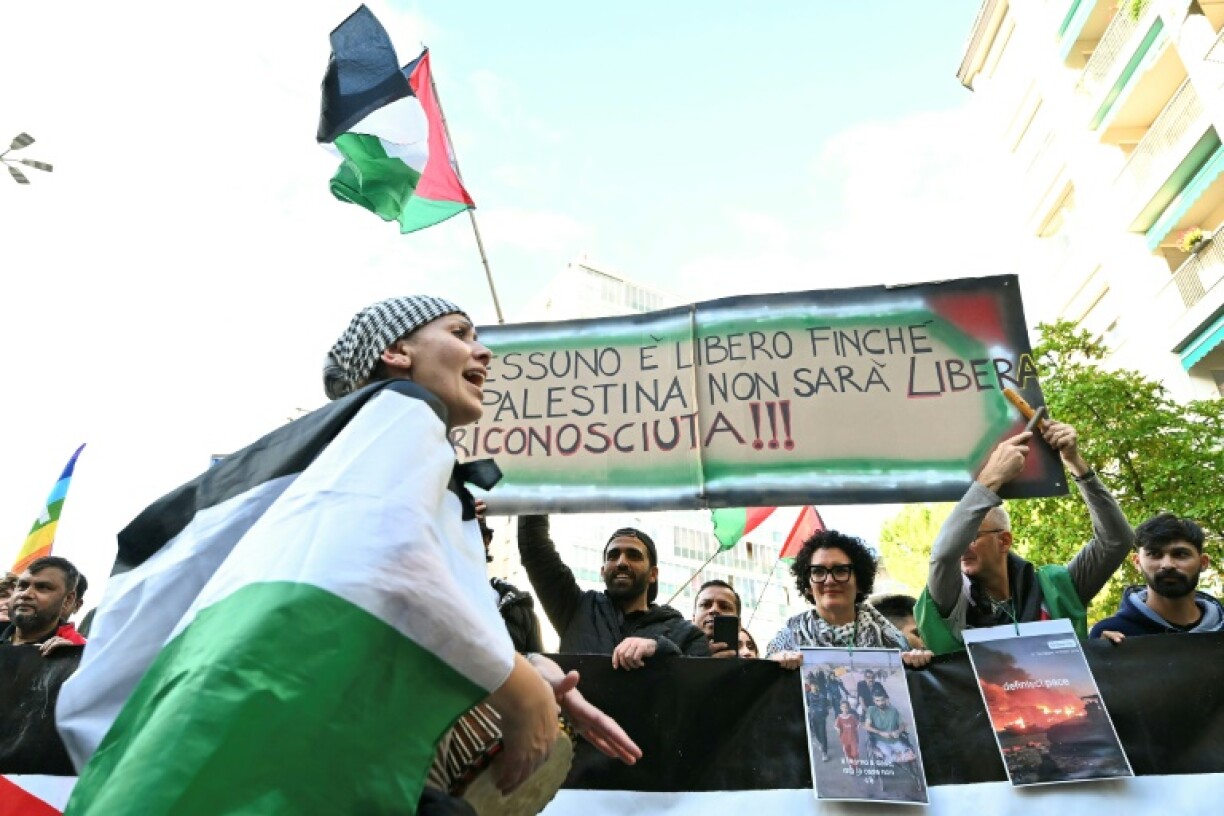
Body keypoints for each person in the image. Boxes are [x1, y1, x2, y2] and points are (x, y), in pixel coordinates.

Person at [917, 422, 1134, 653]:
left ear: (1004, 541)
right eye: (959, 537)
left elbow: (1116, 540)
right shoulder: (953, 598)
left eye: (971, 537)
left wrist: (1074, 462)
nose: (961, 548)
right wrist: (989, 480)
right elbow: (943, 556)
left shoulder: (1056, 590)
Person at [518, 515, 709, 669]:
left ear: (653, 574)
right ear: (602, 571)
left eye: (634, 555)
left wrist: (658, 647)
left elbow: (698, 685)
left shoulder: (686, 633)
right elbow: (535, 549)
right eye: (613, 555)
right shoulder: (575, 608)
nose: (621, 562)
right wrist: (535, 482)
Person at [765, 530, 934, 669]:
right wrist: (772, 666)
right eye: (818, 572)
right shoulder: (788, 640)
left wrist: (919, 663)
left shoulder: (894, 642)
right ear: (808, 586)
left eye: (840, 571)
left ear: (859, 582)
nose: (829, 580)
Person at [1091, 513, 1222, 641]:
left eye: (1180, 554)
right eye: (1154, 554)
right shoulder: (1112, 634)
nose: (1167, 565)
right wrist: (1105, 655)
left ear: (1203, 562)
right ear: (1137, 562)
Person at [478, 503, 544, 653]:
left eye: (468, 530)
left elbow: (536, 668)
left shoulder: (520, 610)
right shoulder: (430, 596)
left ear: (486, 540)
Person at [1, 556, 84, 656]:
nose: (26, 594)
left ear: (68, 599)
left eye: (42, 587)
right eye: (22, 586)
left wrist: (67, 663)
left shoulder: (82, 655)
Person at [863, 689, 914, 765]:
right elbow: (866, 726)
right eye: (877, 700)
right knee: (888, 753)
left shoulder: (893, 711)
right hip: (879, 740)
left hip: (894, 740)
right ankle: (892, 757)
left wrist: (898, 731)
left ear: (886, 699)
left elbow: (902, 725)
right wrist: (880, 732)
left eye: (882, 700)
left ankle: (895, 757)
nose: (880, 703)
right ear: (874, 701)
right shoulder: (871, 710)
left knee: (908, 752)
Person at [692, 579, 741, 657]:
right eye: (705, 605)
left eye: (724, 607)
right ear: (693, 619)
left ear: (738, 624)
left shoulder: (752, 668)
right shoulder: (671, 658)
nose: (714, 609)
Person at [834, 699, 860, 771]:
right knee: (848, 753)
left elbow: (857, 724)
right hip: (844, 739)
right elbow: (836, 726)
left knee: (855, 753)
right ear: (840, 708)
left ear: (848, 708)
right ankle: (851, 766)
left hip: (853, 739)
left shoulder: (852, 717)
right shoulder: (839, 718)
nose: (844, 709)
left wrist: (857, 728)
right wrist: (838, 730)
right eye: (843, 707)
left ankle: (856, 765)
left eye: (846, 707)